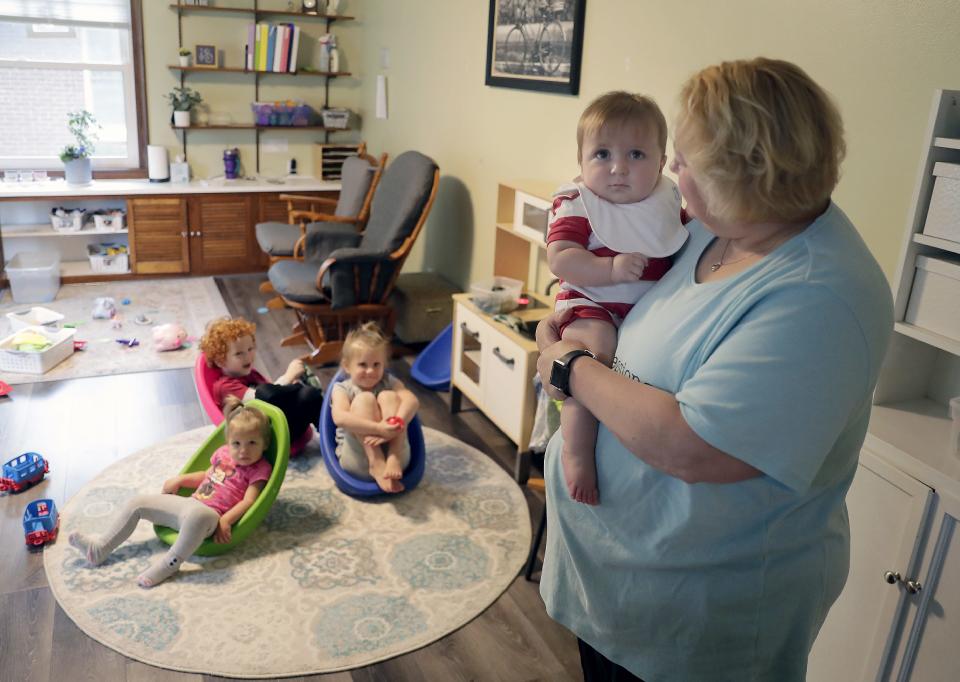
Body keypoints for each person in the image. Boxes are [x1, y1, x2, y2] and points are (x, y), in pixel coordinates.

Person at [535, 57, 894, 681]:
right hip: (620, 589)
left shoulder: (819, 296)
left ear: (744, 176)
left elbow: (694, 446)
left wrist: (566, 368)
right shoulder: (712, 228)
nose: (671, 168)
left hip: (693, 621)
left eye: (685, 159)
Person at [547, 91, 686, 505]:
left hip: (642, 311)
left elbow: (682, 239)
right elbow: (561, 259)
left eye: (637, 155)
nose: (618, 168)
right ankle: (576, 451)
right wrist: (608, 270)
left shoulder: (668, 202)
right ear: (581, 160)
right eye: (602, 154)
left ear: (662, 163)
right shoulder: (578, 203)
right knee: (595, 355)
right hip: (590, 300)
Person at [69, 397, 273, 587]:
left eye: (252, 443)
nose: (243, 451)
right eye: (237, 443)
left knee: (199, 515)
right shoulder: (223, 454)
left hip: (210, 517)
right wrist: (181, 479)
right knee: (137, 503)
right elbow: (206, 476)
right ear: (228, 442)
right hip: (189, 504)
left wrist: (226, 520)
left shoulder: (260, 469)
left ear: (265, 444)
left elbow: (249, 501)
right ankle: (99, 548)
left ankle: (170, 564)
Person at [199, 316, 323, 452]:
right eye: (239, 353)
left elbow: (275, 397)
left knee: (308, 395)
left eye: (250, 349)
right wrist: (288, 377)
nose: (248, 356)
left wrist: (290, 386)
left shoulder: (251, 375)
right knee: (265, 392)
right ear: (220, 361)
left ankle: (331, 439)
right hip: (257, 440)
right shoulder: (225, 386)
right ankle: (300, 388)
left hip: (279, 426)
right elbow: (261, 401)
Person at [330, 322, 419, 493]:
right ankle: (376, 461)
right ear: (347, 366)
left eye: (376, 364)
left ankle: (393, 455)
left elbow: (412, 401)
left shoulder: (388, 382)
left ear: (384, 364)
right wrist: (378, 428)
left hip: (398, 462)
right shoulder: (342, 388)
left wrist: (394, 425)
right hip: (358, 461)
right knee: (365, 399)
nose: (370, 371)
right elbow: (339, 418)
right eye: (363, 365)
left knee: (390, 396)